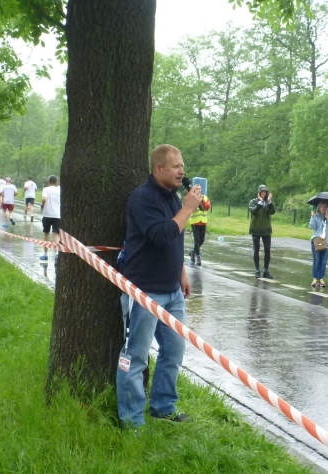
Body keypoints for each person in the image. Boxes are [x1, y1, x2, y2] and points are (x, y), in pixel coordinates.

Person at [116, 144, 202, 429]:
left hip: (172, 291)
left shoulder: (174, 198)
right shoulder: (143, 198)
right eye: (176, 166)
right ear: (159, 168)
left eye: (182, 165)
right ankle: (132, 421)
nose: (182, 171)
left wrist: (181, 272)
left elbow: (175, 238)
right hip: (143, 291)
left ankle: (163, 407)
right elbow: (162, 235)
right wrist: (188, 208)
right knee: (136, 357)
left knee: (174, 351)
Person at [249, 184, 276, 279]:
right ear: (259, 192)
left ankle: (266, 270)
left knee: (267, 250)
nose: (264, 193)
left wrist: (269, 202)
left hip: (266, 229)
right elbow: (254, 211)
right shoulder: (253, 201)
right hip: (256, 229)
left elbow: (273, 212)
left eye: (265, 192)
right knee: (256, 250)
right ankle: (257, 270)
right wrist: (260, 203)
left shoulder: (268, 202)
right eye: (262, 192)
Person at [309, 202, 328, 287]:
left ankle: (321, 279)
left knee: (323, 261)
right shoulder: (316, 217)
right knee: (316, 260)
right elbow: (312, 226)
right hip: (317, 241)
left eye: (326, 207)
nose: (324, 209)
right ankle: (315, 278)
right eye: (322, 207)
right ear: (319, 208)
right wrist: (313, 217)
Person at [40, 175, 61, 261]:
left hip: (47, 214)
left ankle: (45, 254)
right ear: (56, 182)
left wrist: (42, 206)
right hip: (57, 215)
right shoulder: (59, 189)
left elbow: (44, 199)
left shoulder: (46, 189)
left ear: (48, 182)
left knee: (46, 234)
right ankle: (57, 253)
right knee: (56, 234)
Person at [188, 194, 211, 267]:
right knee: (197, 239)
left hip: (203, 221)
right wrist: (197, 203)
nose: (198, 190)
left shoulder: (205, 198)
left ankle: (193, 252)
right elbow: (190, 209)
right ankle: (198, 257)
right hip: (195, 221)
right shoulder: (192, 198)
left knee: (202, 239)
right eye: (197, 189)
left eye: (199, 189)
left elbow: (207, 207)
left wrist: (204, 203)